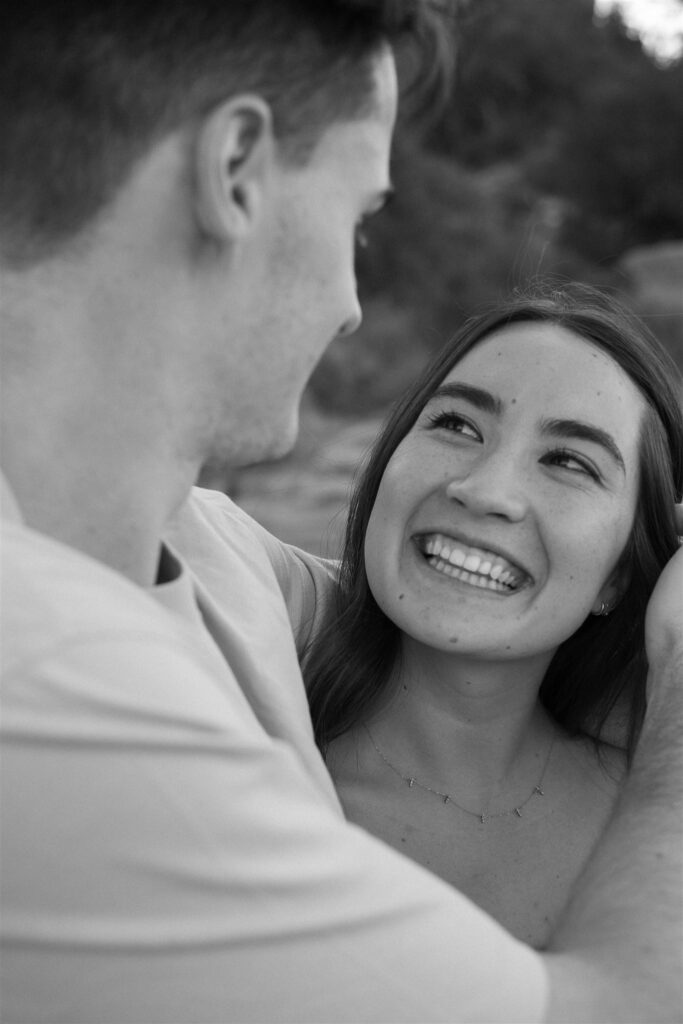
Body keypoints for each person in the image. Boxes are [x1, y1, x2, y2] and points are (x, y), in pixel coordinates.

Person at [0, 1, 681, 1022]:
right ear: (236, 169)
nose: (350, 301)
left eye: (570, 463)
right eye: (360, 217)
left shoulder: (221, 573)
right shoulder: (48, 672)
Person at [297, 288, 683, 948]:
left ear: (618, 573)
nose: (484, 491)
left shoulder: (651, 818)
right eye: (457, 426)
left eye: (568, 462)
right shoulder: (248, 769)